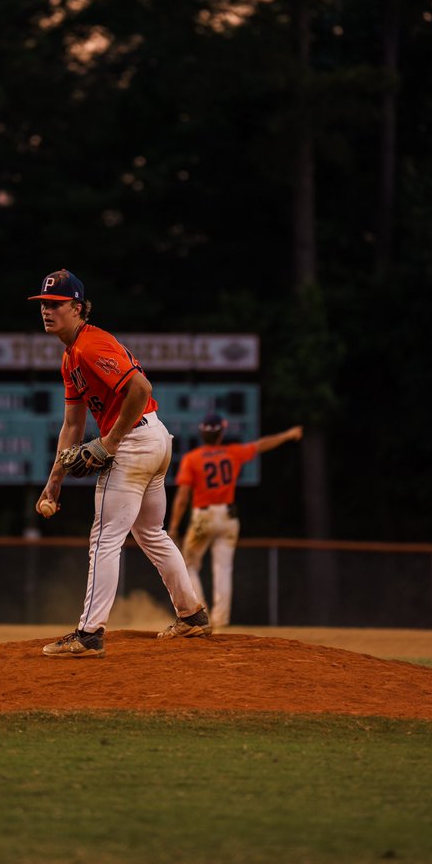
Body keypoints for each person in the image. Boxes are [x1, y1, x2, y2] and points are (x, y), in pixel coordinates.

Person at [28, 268, 210, 657]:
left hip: (134, 442)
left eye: (56, 304)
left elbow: (141, 388)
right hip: (153, 438)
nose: (47, 310)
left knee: (104, 539)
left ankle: (89, 634)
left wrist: (109, 442)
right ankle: (192, 616)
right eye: (44, 304)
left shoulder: (91, 345)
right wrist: (55, 479)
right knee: (150, 533)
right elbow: (73, 425)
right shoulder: (70, 357)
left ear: (77, 308)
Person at [167, 412, 303, 629]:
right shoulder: (232, 453)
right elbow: (261, 445)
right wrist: (287, 435)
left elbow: (183, 497)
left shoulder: (192, 459)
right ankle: (220, 622)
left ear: (202, 434)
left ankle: (197, 616)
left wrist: (174, 525)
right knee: (223, 569)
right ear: (221, 433)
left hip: (204, 517)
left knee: (189, 564)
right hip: (229, 518)